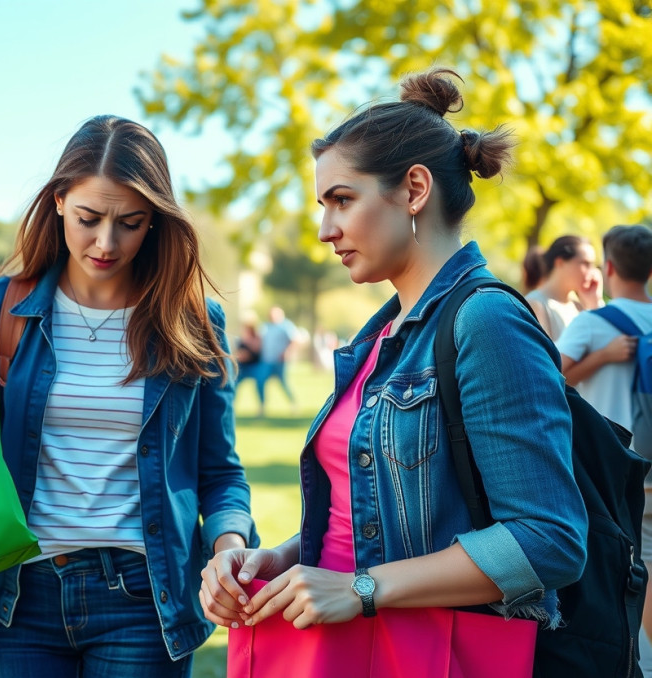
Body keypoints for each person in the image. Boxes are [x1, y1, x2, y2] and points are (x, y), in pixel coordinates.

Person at [200, 69, 587, 671]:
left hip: (430, 654)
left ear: (413, 189)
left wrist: (362, 588)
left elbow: (549, 540)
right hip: (345, 650)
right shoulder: (380, 336)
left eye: (342, 201)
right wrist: (280, 559)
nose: (326, 230)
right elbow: (379, 510)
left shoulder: (485, 323)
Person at [0, 115, 256, 677]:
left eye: (130, 222)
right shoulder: (7, 306)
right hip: (21, 596)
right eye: (89, 218)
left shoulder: (195, 321)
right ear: (58, 201)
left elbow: (219, 470)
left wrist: (228, 548)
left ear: (155, 221)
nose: (106, 242)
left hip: (142, 600)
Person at [556, 223, 652, 672]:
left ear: (609, 267)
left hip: (617, 471)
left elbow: (548, 381)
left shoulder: (593, 326)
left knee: (627, 565)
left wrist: (602, 356)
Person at [525, 235, 602, 340]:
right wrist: (602, 355)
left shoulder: (579, 305)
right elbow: (547, 355)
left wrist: (595, 302)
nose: (592, 272)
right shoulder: (535, 304)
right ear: (560, 262)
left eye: (593, 265)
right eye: (585, 264)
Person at [254, 306, 299, 417]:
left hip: (280, 362)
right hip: (266, 361)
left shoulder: (286, 326)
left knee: (283, 383)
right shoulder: (265, 326)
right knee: (260, 381)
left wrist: (286, 352)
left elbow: (295, 340)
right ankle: (262, 406)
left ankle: (293, 403)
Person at [233, 314, 262, 396]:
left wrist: (247, 342)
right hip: (242, 366)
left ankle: (262, 405)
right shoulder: (241, 337)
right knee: (234, 384)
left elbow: (257, 349)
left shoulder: (257, 336)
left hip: (255, 365)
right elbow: (237, 353)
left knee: (260, 383)